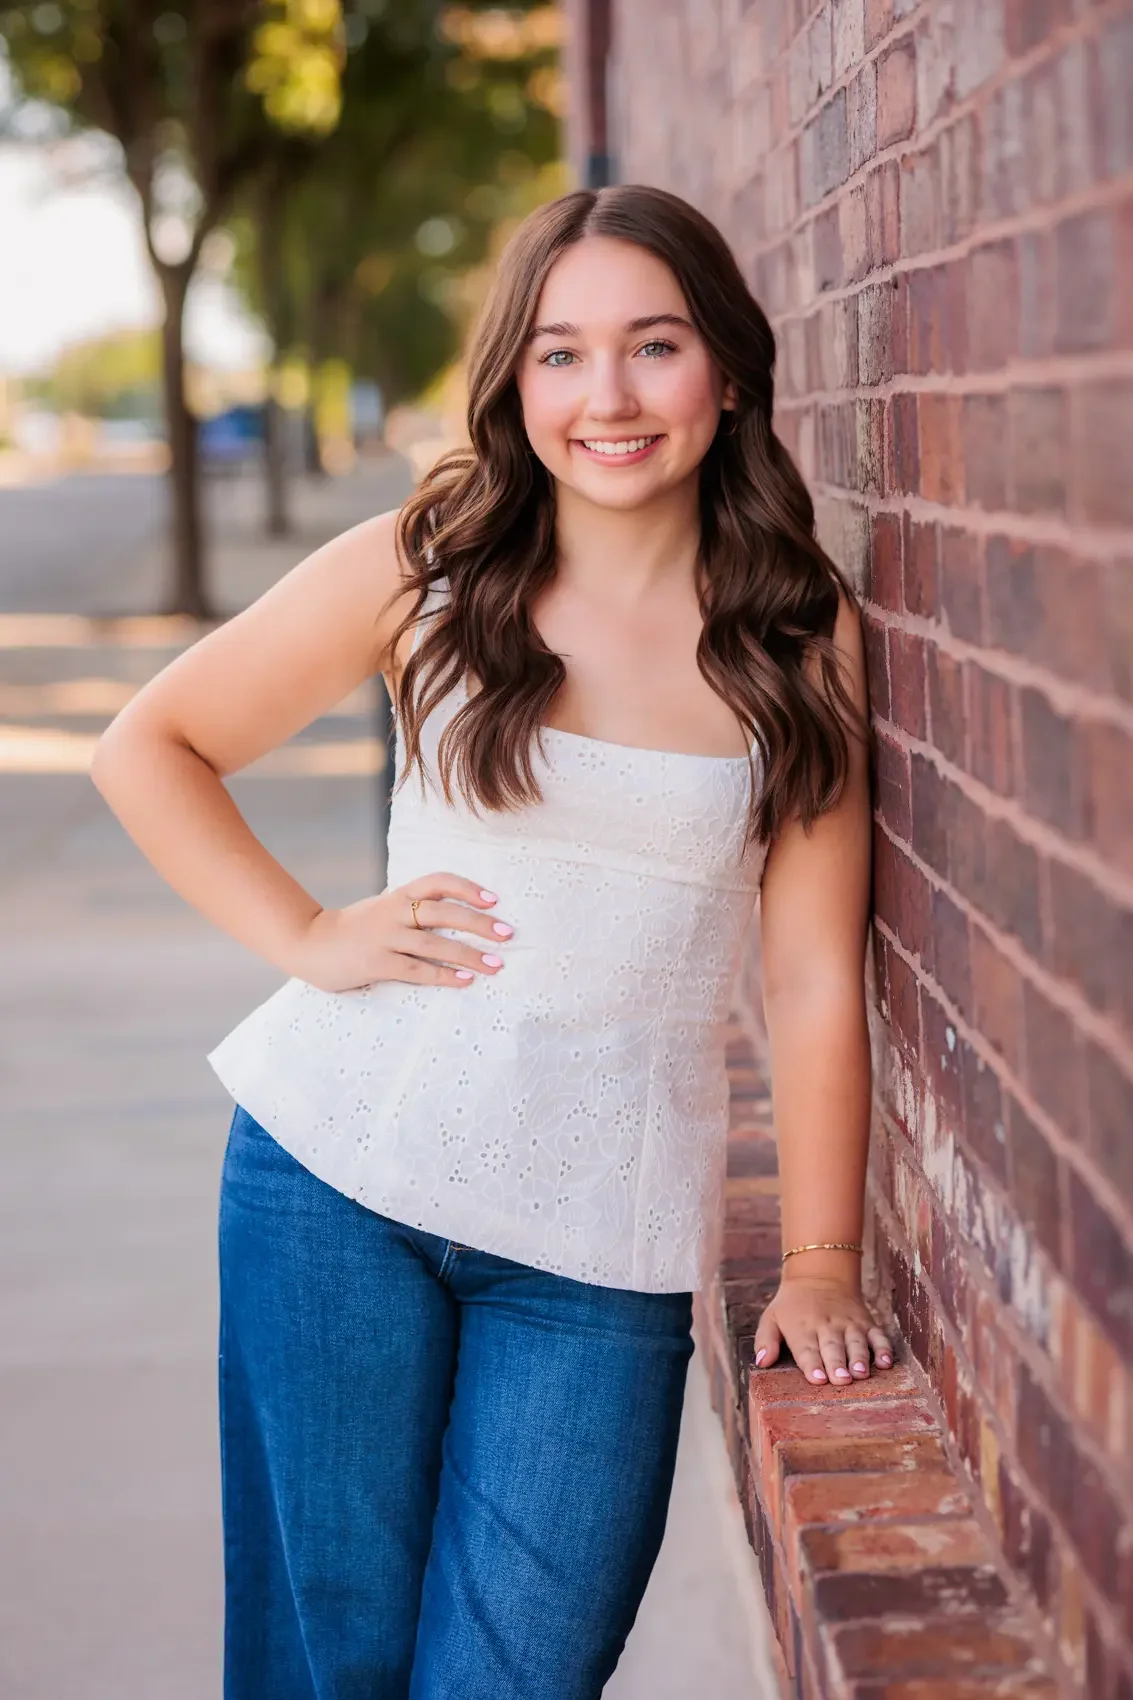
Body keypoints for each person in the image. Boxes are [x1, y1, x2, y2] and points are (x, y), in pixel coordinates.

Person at [91, 184, 893, 1700]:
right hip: (335, 1186)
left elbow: (807, 977)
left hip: (599, 1256)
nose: (607, 397)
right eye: (559, 354)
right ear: (516, 387)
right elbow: (155, 744)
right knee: (329, 1674)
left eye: (653, 346)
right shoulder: (429, 569)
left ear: (723, 369)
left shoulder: (795, 633)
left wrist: (822, 1260)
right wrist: (312, 934)